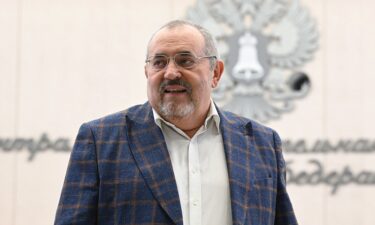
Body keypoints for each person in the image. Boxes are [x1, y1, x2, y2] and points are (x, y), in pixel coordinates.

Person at [55, 20, 298, 225]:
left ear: (216, 73)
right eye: (159, 62)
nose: (171, 72)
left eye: (185, 60)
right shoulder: (101, 140)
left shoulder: (262, 143)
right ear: (147, 73)